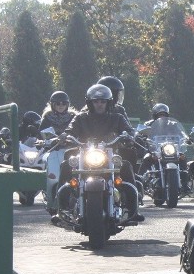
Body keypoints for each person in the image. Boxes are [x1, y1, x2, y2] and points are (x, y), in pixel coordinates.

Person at [56, 83, 143, 221]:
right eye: (96, 101)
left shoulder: (117, 118)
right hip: (85, 155)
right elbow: (70, 130)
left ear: (108, 103)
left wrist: (131, 135)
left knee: (126, 166)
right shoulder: (81, 118)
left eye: (103, 101)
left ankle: (132, 209)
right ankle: (61, 209)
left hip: (110, 155)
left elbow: (128, 129)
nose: (99, 104)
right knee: (66, 165)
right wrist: (64, 136)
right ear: (90, 103)